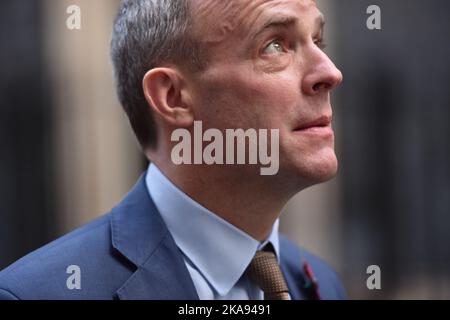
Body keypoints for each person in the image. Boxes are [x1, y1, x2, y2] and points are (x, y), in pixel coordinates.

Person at [0, 0, 345, 300]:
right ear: (173, 96)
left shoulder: (320, 283)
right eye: (274, 45)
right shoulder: (38, 293)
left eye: (318, 40)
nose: (330, 72)